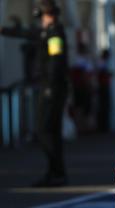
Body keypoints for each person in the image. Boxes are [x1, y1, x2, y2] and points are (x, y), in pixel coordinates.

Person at [0, 0, 69, 186]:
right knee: (49, 132)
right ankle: (55, 172)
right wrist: (4, 30)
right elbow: (27, 33)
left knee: (45, 130)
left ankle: (56, 172)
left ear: (48, 15)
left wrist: (49, 88)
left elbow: (56, 63)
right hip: (51, 87)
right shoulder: (47, 32)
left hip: (52, 88)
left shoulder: (54, 34)